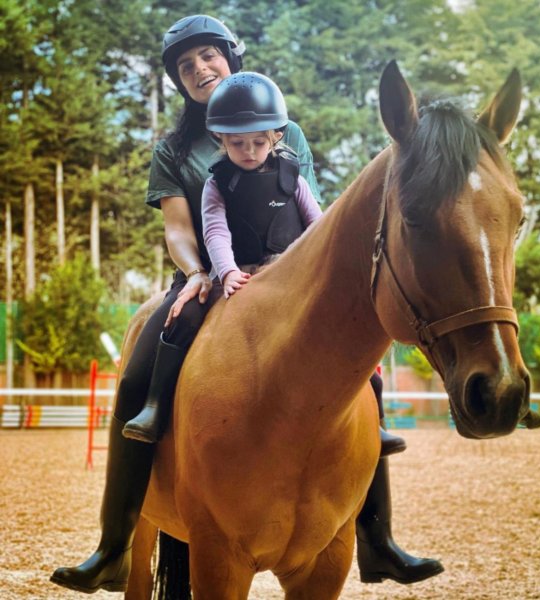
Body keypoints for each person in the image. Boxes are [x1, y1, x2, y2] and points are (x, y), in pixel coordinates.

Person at [49, 15, 442, 595]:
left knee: (363, 373)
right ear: (179, 83)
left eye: (207, 56)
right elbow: (183, 228)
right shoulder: (175, 149)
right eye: (186, 66)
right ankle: (113, 543)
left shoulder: (287, 132)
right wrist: (198, 274)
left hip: (289, 278)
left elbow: (312, 217)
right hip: (209, 278)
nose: (199, 69)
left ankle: (378, 539)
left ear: (230, 58)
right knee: (142, 364)